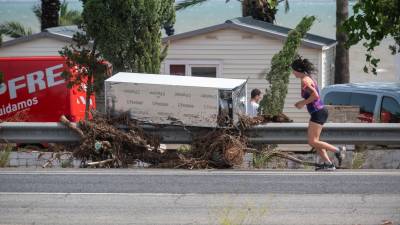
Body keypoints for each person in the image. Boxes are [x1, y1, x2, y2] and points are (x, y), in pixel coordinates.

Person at [291, 56, 346, 171]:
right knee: (315, 141)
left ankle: (338, 150)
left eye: (293, 70)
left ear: (298, 70)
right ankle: (328, 164)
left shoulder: (304, 81)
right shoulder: (308, 78)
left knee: (313, 141)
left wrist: (302, 103)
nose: (292, 73)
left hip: (318, 111)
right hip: (319, 111)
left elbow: (315, 95)